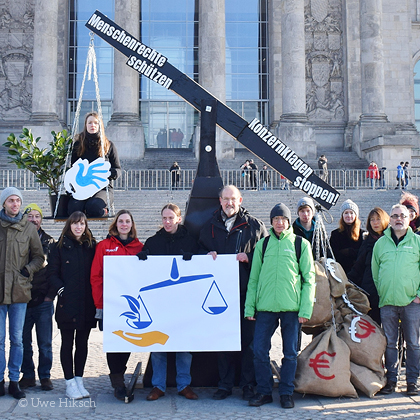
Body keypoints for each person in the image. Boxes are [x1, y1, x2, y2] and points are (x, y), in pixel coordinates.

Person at [198, 185, 268, 401]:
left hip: (247, 294)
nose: (229, 203)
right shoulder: (208, 226)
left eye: (233, 199)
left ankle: (247, 385)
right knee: (223, 340)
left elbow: (266, 255)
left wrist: (250, 258)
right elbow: (198, 251)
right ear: (220, 200)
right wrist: (205, 255)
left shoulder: (255, 226)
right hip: (220, 296)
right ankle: (225, 384)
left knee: (248, 343)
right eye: (225, 199)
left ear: (240, 200)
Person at [245, 203, 315, 409]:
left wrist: (305, 309)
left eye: (282, 219)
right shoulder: (262, 245)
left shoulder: (300, 244)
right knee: (259, 350)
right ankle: (265, 391)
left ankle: (286, 392)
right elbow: (254, 278)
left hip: (291, 308)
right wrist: (250, 307)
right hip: (265, 306)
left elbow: (309, 279)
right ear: (271, 221)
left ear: (288, 221)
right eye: (275, 219)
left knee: (290, 353)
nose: (279, 223)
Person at [137, 203, 199, 401]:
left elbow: (202, 266)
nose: (167, 222)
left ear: (178, 219)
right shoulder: (153, 242)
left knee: (184, 348)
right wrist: (142, 258)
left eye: (171, 218)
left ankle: (184, 385)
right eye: (164, 218)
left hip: (183, 304)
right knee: (158, 348)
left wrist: (195, 258)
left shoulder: (190, 241)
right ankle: (158, 386)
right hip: (159, 305)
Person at [90, 209, 144, 401]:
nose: (124, 224)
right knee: (114, 342)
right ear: (116, 224)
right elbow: (96, 276)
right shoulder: (104, 246)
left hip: (130, 306)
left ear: (132, 225)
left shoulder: (140, 247)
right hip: (110, 304)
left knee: (128, 340)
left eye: (127, 221)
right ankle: (117, 380)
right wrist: (100, 304)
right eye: (120, 221)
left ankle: (120, 372)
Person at [0, 187, 44, 399]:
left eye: (18, 200)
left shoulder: (28, 228)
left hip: (19, 292)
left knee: (16, 338)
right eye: (11, 201)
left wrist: (28, 271)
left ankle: (15, 381)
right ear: (4, 204)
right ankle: (0, 380)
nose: (15, 204)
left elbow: (39, 257)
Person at [47, 211, 97, 400]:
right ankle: (69, 382)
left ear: (86, 226)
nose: (79, 227)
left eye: (82, 224)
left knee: (82, 343)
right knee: (67, 343)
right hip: (67, 303)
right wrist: (62, 291)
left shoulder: (90, 246)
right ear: (69, 225)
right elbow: (52, 273)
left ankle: (79, 380)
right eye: (75, 224)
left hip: (86, 304)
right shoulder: (59, 247)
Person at [372, 204, 420, 396]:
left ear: (409, 219)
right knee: (390, 343)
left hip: (411, 303)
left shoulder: (417, 242)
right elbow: (376, 272)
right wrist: (383, 292)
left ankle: (412, 382)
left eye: (402, 216)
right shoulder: (380, 244)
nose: (398, 219)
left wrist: (418, 295)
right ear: (389, 220)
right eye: (394, 216)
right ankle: (391, 380)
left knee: (413, 344)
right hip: (388, 302)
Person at [19, 203, 55, 392]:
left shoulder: (49, 242)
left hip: (43, 301)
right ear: (25, 218)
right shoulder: (18, 239)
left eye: (37, 216)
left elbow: (54, 272)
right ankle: (28, 375)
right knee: (23, 340)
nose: (34, 219)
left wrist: (50, 296)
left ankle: (45, 376)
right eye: (30, 216)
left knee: (45, 342)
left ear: (41, 219)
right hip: (22, 300)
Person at [68, 112, 121, 218]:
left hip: (102, 188)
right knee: (73, 209)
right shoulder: (78, 145)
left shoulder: (108, 145)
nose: (93, 125)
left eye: (96, 123)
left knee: (94, 207)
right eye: (90, 123)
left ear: (100, 125)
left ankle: (103, 210)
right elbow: (73, 168)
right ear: (85, 125)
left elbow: (118, 169)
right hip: (83, 187)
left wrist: (107, 173)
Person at [347, 207, 390, 325]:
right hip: (370, 289)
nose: (375, 223)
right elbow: (359, 265)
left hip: (388, 289)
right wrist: (347, 279)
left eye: (378, 219)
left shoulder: (391, 240)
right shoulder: (367, 241)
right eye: (372, 220)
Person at [330, 199, 364, 274]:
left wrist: (348, 252)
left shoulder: (363, 235)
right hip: (340, 273)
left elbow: (363, 255)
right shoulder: (335, 234)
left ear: (356, 215)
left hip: (359, 274)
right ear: (342, 215)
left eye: (351, 213)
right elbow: (333, 254)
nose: (349, 216)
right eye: (346, 213)